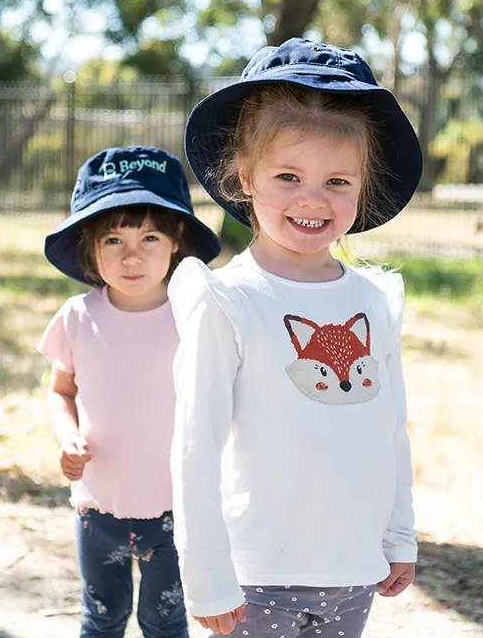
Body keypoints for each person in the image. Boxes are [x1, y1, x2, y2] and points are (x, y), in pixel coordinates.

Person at [167, 38, 423, 638]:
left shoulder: (374, 300)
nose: (313, 198)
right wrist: (206, 575)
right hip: (255, 573)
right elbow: (193, 448)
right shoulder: (226, 300)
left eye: (338, 180)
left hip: (352, 569)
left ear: (363, 187)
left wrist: (397, 532)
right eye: (288, 175)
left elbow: (391, 427)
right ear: (244, 177)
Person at [38, 146, 221, 638]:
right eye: (113, 238)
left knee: (165, 622)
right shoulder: (78, 317)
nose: (132, 254)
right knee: (102, 618)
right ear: (89, 247)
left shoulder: (196, 317)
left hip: (176, 511)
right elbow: (60, 392)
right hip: (100, 508)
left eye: (150, 236)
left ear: (177, 240)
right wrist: (67, 437)